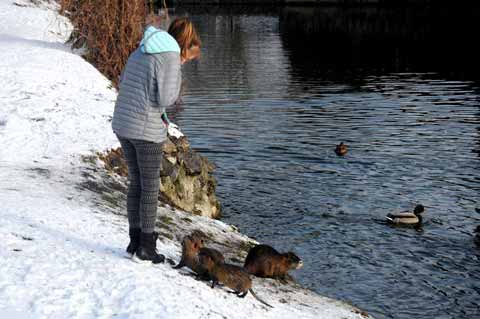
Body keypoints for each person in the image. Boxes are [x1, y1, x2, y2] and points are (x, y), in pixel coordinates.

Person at [111, 17, 201, 263]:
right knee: (150, 187)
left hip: (123, 124)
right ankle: (146, 247)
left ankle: (134, 240)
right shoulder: (170, 55)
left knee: (136, 183)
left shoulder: (144, 47)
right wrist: (178, 71)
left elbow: (126, 83)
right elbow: (167, 97)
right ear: (185, 46)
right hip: (145, 130)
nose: (185, 62)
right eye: (188, 58)